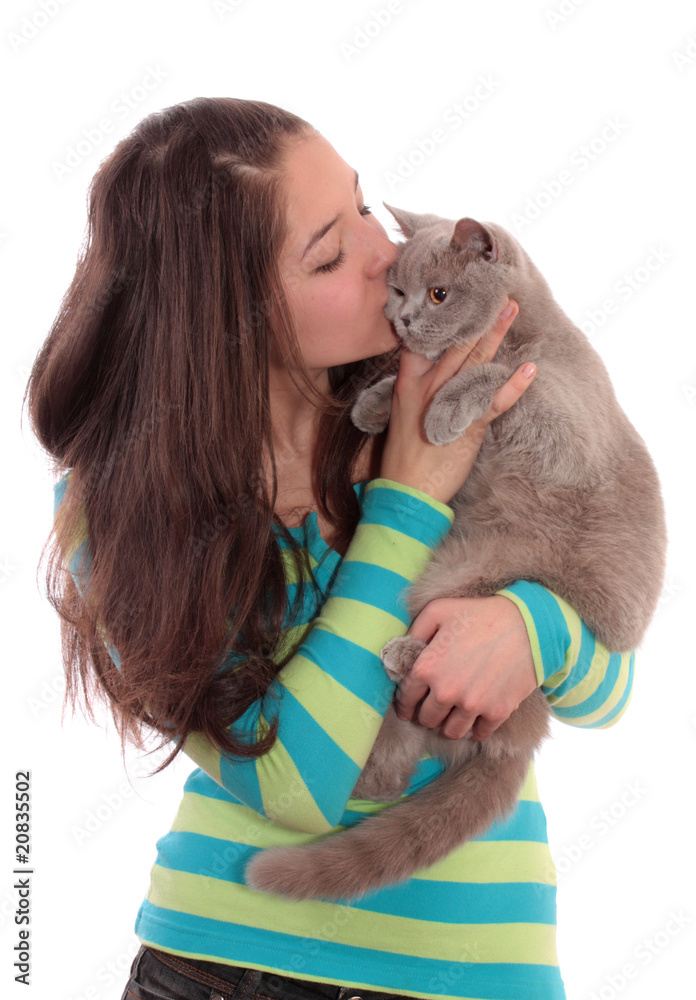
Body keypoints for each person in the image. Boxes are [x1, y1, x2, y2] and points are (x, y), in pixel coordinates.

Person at [25, 98, 635, 1000]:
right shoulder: (109, 515)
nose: (384, 252)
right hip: (221, 968)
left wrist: (531, 626)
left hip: (480, 971)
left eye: (357, 205)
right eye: (329, 253)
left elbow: (609, 679)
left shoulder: (454, 387)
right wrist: (411, 497)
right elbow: (293, 782)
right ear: (231, 316)